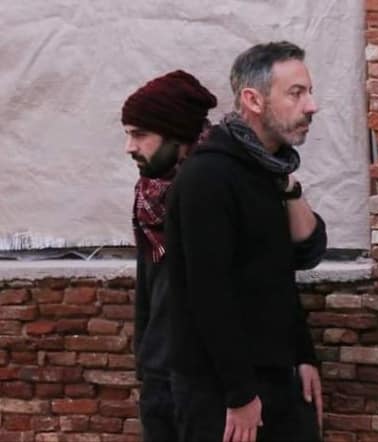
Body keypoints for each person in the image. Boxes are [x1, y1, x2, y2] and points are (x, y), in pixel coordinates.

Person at [166, 41, 327, 442]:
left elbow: (301, 256)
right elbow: (208, 292)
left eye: (309, 92)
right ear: (253, 100)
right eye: (296, 93)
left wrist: (303, 355)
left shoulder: (270, 170)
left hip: (277, 374)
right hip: (221, 391)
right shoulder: (209, 177)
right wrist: (239, 394)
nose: (312, 106)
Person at [122, 69, 218, 442]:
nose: (129, 147)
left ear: (176, 134)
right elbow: (148, 281)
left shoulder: (217, 184)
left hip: (210, 379)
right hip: (160, 374)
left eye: (139, 134)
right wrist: (145, 361)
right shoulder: (148, 194)